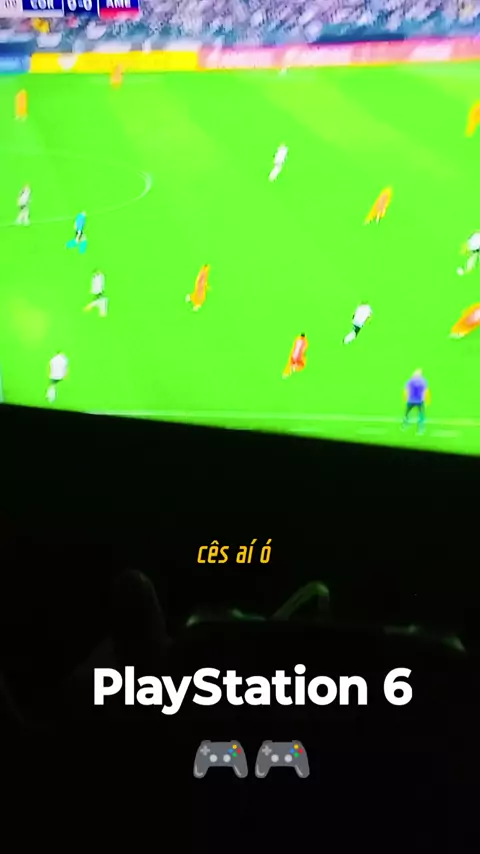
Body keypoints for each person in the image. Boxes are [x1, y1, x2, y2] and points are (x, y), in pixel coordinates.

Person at [402, 369, 430, 435]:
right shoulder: (423, 381)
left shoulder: (410, 380)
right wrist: (426, 401)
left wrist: (405, 398)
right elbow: (426, 391)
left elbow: (406, 390)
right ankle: (420, 429)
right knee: (421, 415)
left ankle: (404, 426)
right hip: (420, 401)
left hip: (411, 400)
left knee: (407, 413)